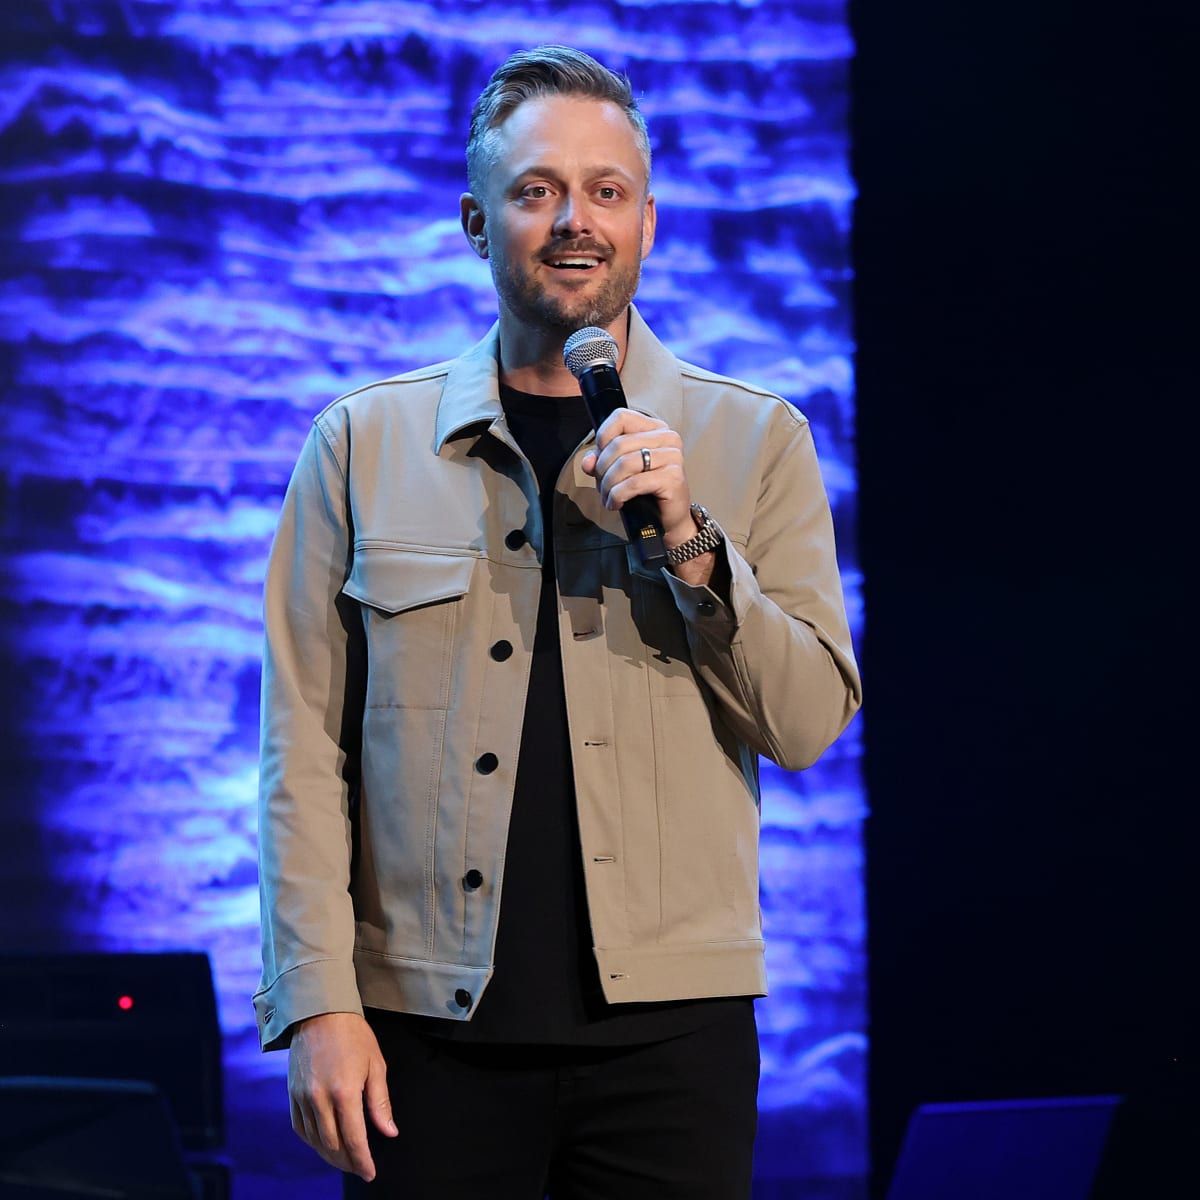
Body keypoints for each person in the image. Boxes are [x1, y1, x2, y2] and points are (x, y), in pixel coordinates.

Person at [254, 45, 861, 1200]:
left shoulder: (756, 441)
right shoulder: (358, 448)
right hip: (424, 1040)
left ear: (646, 222)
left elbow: (806, 722)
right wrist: (320, 1003)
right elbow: (303, 759)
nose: (573, 221)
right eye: (535, 191)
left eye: (605, 191)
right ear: (478, 223)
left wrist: (687, 539)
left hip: (670, 1044)